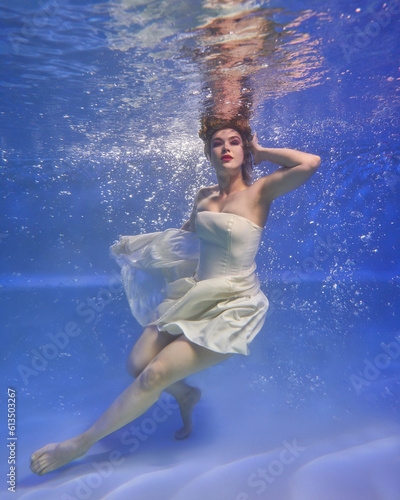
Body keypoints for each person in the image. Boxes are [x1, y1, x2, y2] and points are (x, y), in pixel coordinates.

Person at [30, 117, 320, 476]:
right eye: (217, 142)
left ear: (244, 150)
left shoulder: (260, 192)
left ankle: (81, 444)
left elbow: (310, 163)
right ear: (207, 152)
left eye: (235, 141)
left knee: (153, 375)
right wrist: (141, 251)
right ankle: (186, 395)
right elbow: (185, 240)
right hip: (198, 294)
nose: (226, 148)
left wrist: (262, 151)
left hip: (233, 305)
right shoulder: (204, 196)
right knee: (137, 364)